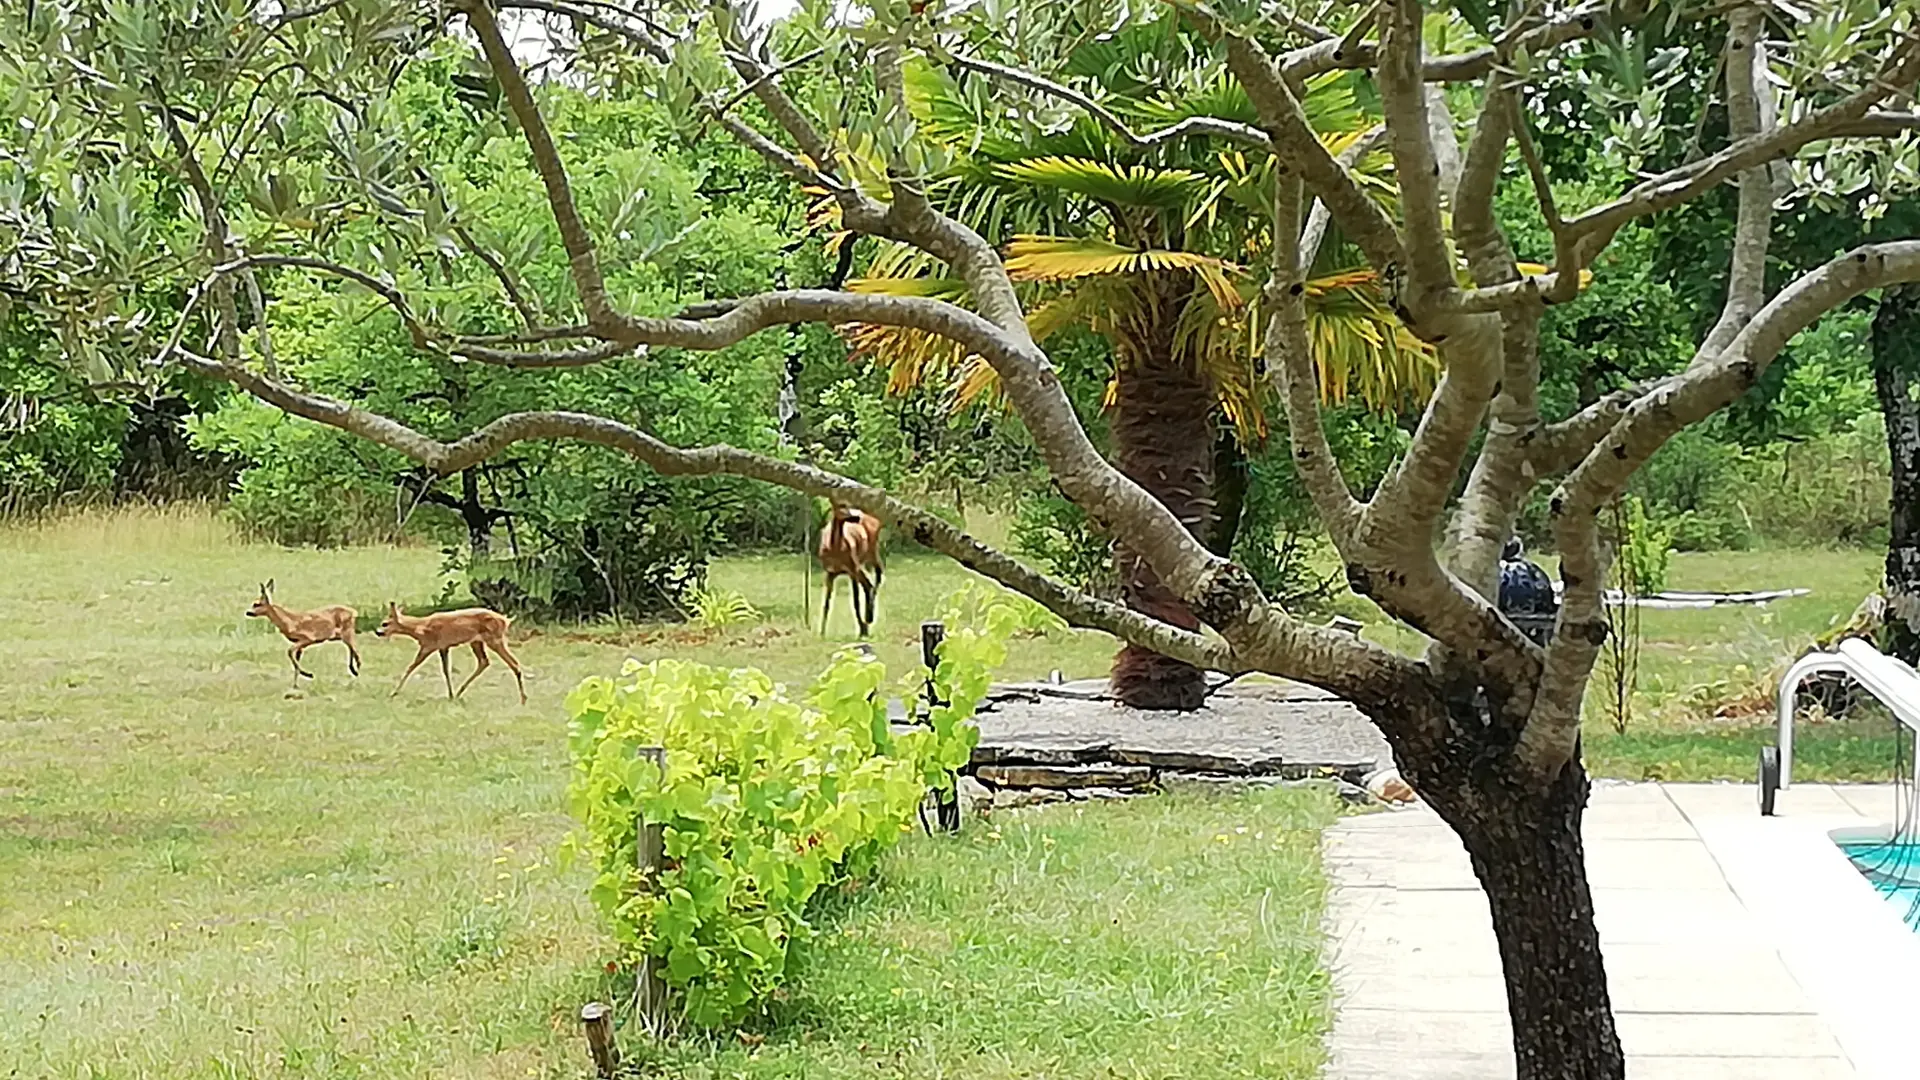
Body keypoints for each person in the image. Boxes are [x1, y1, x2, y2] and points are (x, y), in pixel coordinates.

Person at [1497, 536, 1557, 644]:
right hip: (1538, 618)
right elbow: (1546, 598)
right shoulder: (1532, 569)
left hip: (1502, 619)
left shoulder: (1496, 570)